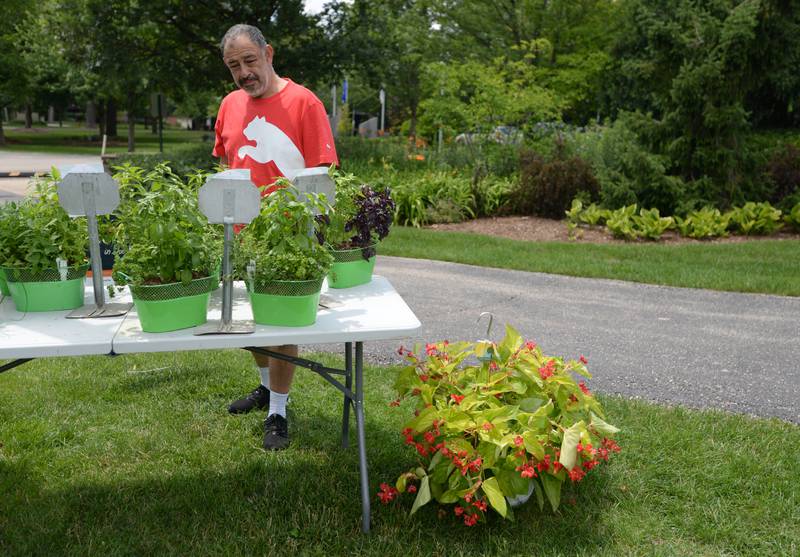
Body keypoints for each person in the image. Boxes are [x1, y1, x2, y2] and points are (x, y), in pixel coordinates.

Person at [213, 24, 338, 450]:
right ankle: (267, 387)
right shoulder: (229, 105)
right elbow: (227, 161)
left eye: (250, 60)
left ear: (269, 52)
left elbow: (321, 178)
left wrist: (313, 235)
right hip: (246, 235)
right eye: (234, 66)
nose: (244, 72)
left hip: (291, 237)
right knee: (253, 322)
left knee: (283, 323)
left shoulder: (305, 102)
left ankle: (279, 412)